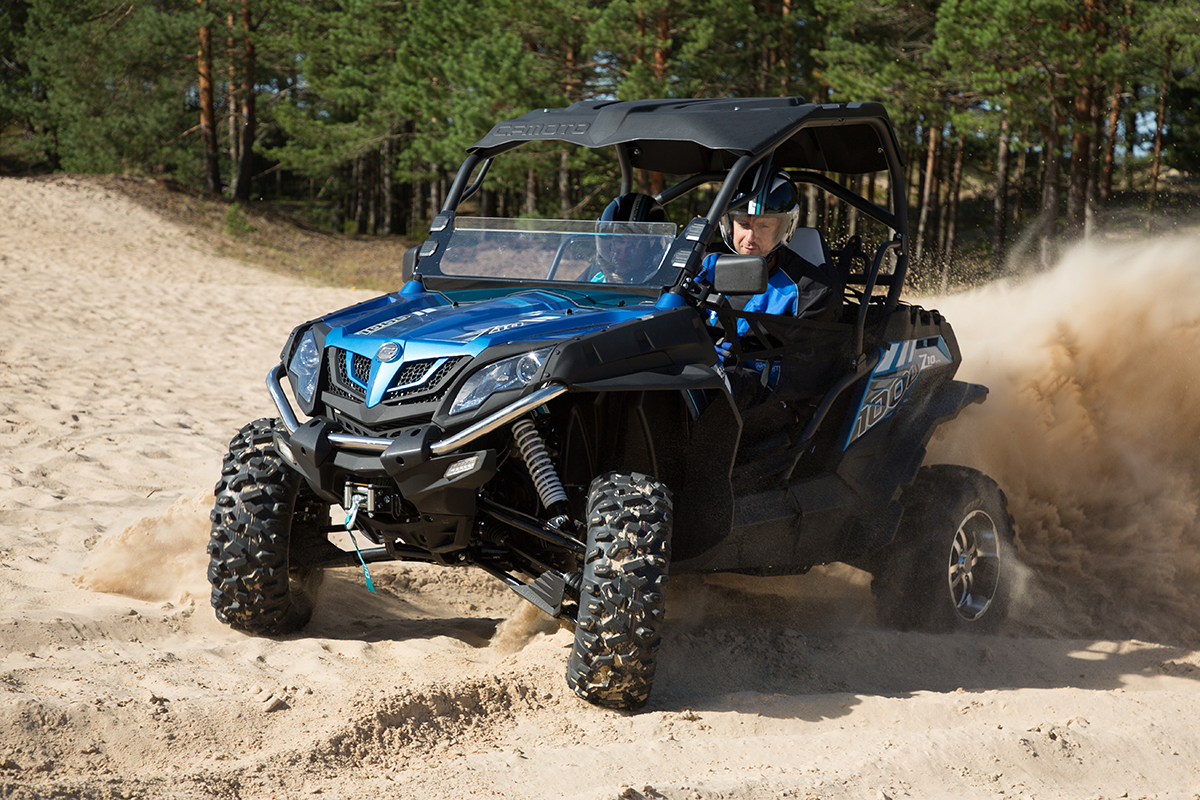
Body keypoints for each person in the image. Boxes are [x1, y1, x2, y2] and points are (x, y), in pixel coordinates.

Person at [702, 168, 841, 403]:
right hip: (696, 375)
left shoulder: (810, 292)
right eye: (743, 223)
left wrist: (734, 369)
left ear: (783, 227)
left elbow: (804, 385)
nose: (750, 237)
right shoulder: (705, 264)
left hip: (760, 400)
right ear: (729, 223)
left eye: (764, 226)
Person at [586, 193, 670, 284]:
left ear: (653, 250)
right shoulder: (595, 276)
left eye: (635, 243)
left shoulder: (666, 285)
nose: (624, 252)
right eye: (619, 240)